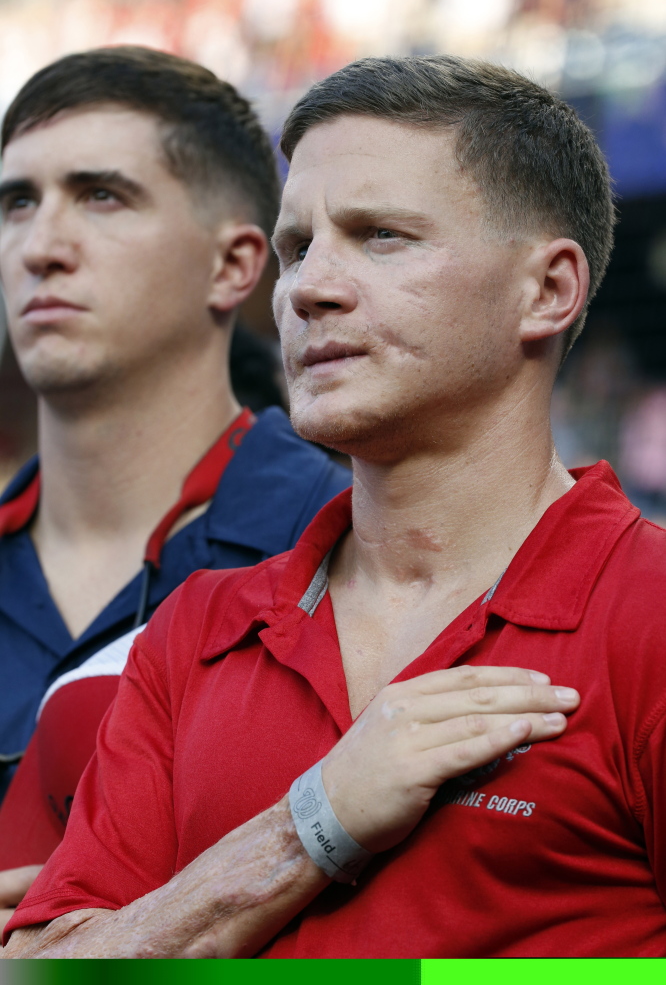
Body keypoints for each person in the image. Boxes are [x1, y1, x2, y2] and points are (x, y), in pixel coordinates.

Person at [4, 54, 665, 960]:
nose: (308, 288)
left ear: (547, 290)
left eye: (382, 235)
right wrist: (310, 826)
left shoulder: (650, 618)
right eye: (296, 247)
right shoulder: (193, 633)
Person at [0, 47, 350, 924]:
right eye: (16, 203)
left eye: (101, 195)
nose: (41, 247)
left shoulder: (352, 544)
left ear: (234, 265)